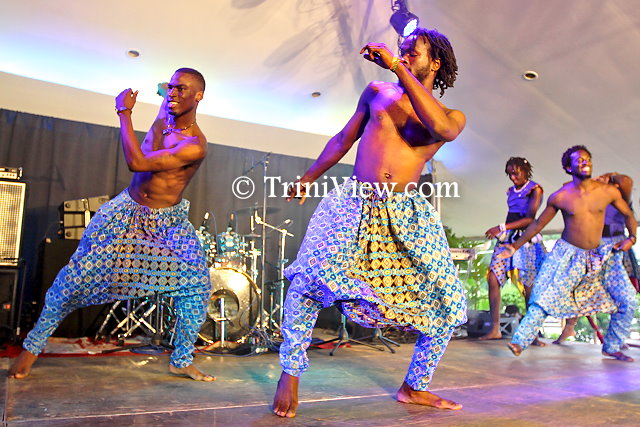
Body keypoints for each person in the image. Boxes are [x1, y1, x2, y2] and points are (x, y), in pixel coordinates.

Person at [272, 27, 467, 418]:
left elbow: (442, 130)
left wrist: (397, 66)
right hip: (355, 202)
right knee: (309, 279)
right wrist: (308, 178)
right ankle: (290, 372)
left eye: (413, 52)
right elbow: (344, 138)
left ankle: (415, 387)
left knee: (448, 301)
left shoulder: (451, 116)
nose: (404, 55)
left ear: (435, 63)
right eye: (401, 50)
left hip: (407, 213)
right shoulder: (378, 92)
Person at [9, 68, 215, 381]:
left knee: (197, 284)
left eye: (181, 89)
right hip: (125, 213)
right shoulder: (166, 110)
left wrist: (124, 112)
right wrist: (166, 89)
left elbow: (137, 163)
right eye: (171, 88)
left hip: (167, 223)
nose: (173, 93)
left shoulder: (195, 144)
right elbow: (166, 88)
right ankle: (32, 347)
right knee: (71, 281)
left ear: (199, 96)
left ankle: (182, 359)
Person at [499, 145, 637, 362]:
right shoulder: (560, 196)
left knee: (627, 299)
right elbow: (537, 224)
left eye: (587, 158)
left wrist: (632, 238)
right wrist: (515, 246)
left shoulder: (607, 191)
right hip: (568, 254)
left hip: (602, 254)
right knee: (544, 296)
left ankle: (612, 346)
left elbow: (628, 214)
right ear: (568, 168)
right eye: (579, 160)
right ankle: (520, 341)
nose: (585, 162)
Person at [553, 172, 637, 344]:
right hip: (595, 245)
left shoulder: (621, 198)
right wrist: (593, 183)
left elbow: (625, 181)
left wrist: (610, 177)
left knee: (618, 293)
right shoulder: (595, 195)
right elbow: (566, 185)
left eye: (607, 179)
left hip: (616, 246)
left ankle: (616, 337)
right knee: (580, 286)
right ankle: (570, 326)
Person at [480, 157, 546, 342]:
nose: (512, 177)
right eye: (509, 174)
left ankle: (532, 334)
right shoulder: (510, 191)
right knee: (493, 278)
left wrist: (501, 227)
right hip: (508, 237)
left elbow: (529, 219)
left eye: (515, 173)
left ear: (525, 170)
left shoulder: (535, 189)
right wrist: (505, 230)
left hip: (526, 238)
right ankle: (495, 329)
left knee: (528, 285)